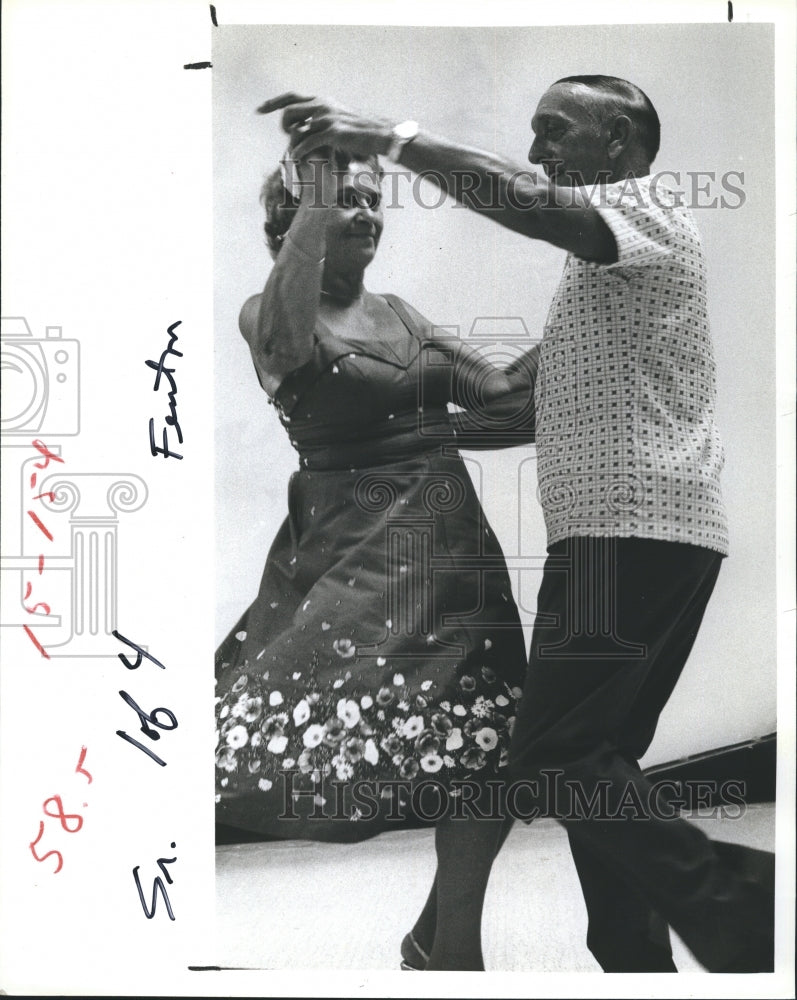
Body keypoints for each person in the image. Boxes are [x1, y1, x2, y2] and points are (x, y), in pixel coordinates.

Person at [259, 75, 776, 973]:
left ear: (617, 140)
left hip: (631, 525)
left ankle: (740, 904)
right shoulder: (605, 262)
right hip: (645, 526)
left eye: (554, 131)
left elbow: (528, 206)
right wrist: (393, 442)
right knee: (597, 755)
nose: (537, 153)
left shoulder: (641, 213)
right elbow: (519, 403)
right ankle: (630, 955)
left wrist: (391, 136)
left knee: (555, 752)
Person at [214, 145, 539, 971]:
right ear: (291, 224)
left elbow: (500, 401)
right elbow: (285, 346)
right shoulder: (268, 313)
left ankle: (448, 943)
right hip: (351, 549)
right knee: (292, 733)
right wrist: (316, 179)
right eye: (337, 199)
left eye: (369, 199)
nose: (363, 212)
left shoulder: (400, 310)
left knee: (490, 740)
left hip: (451, 544)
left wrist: (582, 311)